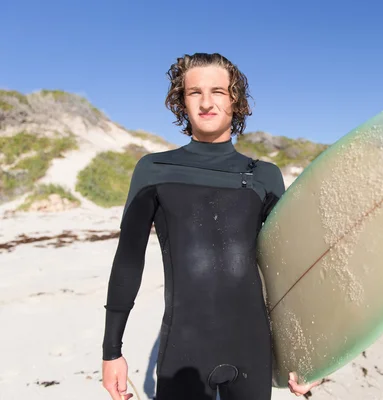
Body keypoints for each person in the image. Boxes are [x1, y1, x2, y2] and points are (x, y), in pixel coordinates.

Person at [101, 53, 321, 399]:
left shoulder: (265, 176)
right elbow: (128, 262)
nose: (206, 103)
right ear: (181, 102)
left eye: (218, 91)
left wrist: (306, 354)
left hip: (252, 347)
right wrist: (112, 351)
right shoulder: (154, 170)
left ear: (236, 100)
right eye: (194, 93)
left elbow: (290, 270)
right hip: (184, 347)